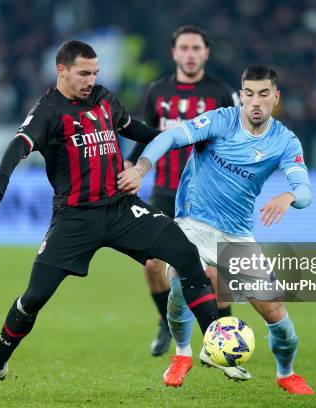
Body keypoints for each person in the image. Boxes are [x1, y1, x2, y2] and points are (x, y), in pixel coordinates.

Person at [0, 40, 220, 394]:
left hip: (121, 207)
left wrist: (178, 139)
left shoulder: (104, 98)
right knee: (33, 297)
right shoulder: (49, 110)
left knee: (186, 254)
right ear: (61, 70)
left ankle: (217, 346)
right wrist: (1, 178)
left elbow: (134, 128)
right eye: (84, 73)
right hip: (75, 218)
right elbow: (21, 143)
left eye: (95, 73)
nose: (91, 80)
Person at [118, 65, 315, 394]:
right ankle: (182, 354)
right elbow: (170, 136)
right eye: (249, 93)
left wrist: (289, 194)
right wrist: (141, 168)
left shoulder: (284, 141)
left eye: (263, 94)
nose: (255, 101)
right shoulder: (221, 120)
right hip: (193, 224)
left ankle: (286, 373)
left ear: (275, 97)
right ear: (242, 94)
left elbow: (305, 190)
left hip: (236, 235)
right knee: (180, 283)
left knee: (277, 316)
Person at [126, 25, 238, 358]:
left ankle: (223, 334)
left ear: (206, 52)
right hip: (164, 193)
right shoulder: (157, 91)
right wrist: (132, 168)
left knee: (215, 270)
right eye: (184, 48)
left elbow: (237, 141)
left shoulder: (222, 94)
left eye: (196, 48)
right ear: (174, 53)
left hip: (209, 196)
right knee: (151, 266)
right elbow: (147, 137)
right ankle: (166, 321)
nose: (190, 54)